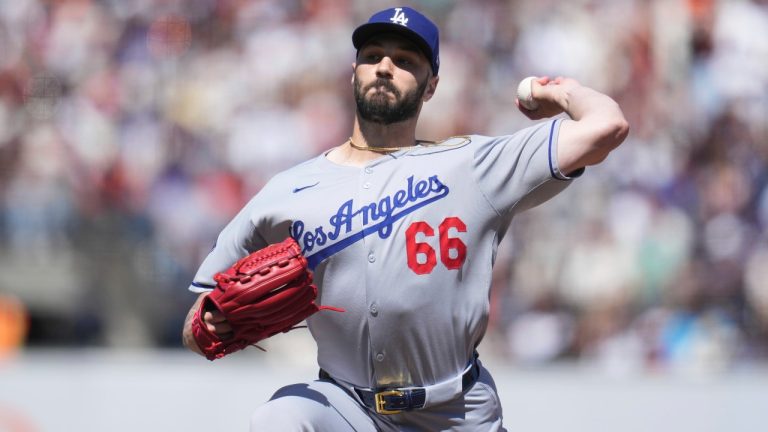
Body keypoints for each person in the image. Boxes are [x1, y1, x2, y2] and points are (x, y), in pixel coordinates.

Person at [181, 6, 629, 431]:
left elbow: (607, 125)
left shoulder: (473, 165)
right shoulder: (288, 190)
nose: (383, 67)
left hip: (455, 411)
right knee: (280, 418)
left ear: (431, 85)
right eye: (372, 56)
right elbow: (199, 315)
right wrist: (207, 322)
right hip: (347, 408)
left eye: (404, 59)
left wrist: (558, 92)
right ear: (353, 72)